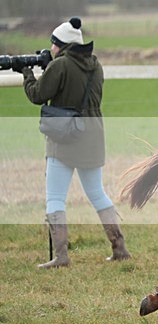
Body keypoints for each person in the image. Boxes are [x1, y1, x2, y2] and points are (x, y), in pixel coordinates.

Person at [20, 17, 130, 269]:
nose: (51, 49)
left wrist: (27, 73)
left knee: (55, 198)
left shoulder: (61, 65)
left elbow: (38, 95)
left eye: (54, 44)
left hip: (65, 138)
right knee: (97, 193)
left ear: (62, 44)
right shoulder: (95, 65)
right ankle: (120, 248)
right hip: (92, 135)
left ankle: (61, 256)